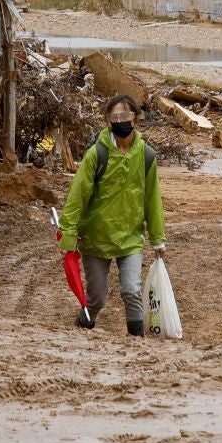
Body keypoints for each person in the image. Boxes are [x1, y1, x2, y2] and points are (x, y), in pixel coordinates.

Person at [57, 94, 166, 334]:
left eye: (125, 116)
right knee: (97, 298)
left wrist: (158, 238)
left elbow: (152, 199)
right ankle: (82, 328)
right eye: (114, 117)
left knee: (132, 290)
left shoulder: (147, 156)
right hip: (96, 238)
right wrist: (68, 232)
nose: (120, 121)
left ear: (135, 118)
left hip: (130, 239)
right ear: (108, 121)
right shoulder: (97, 154)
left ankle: (136, 343)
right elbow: (77, 196)